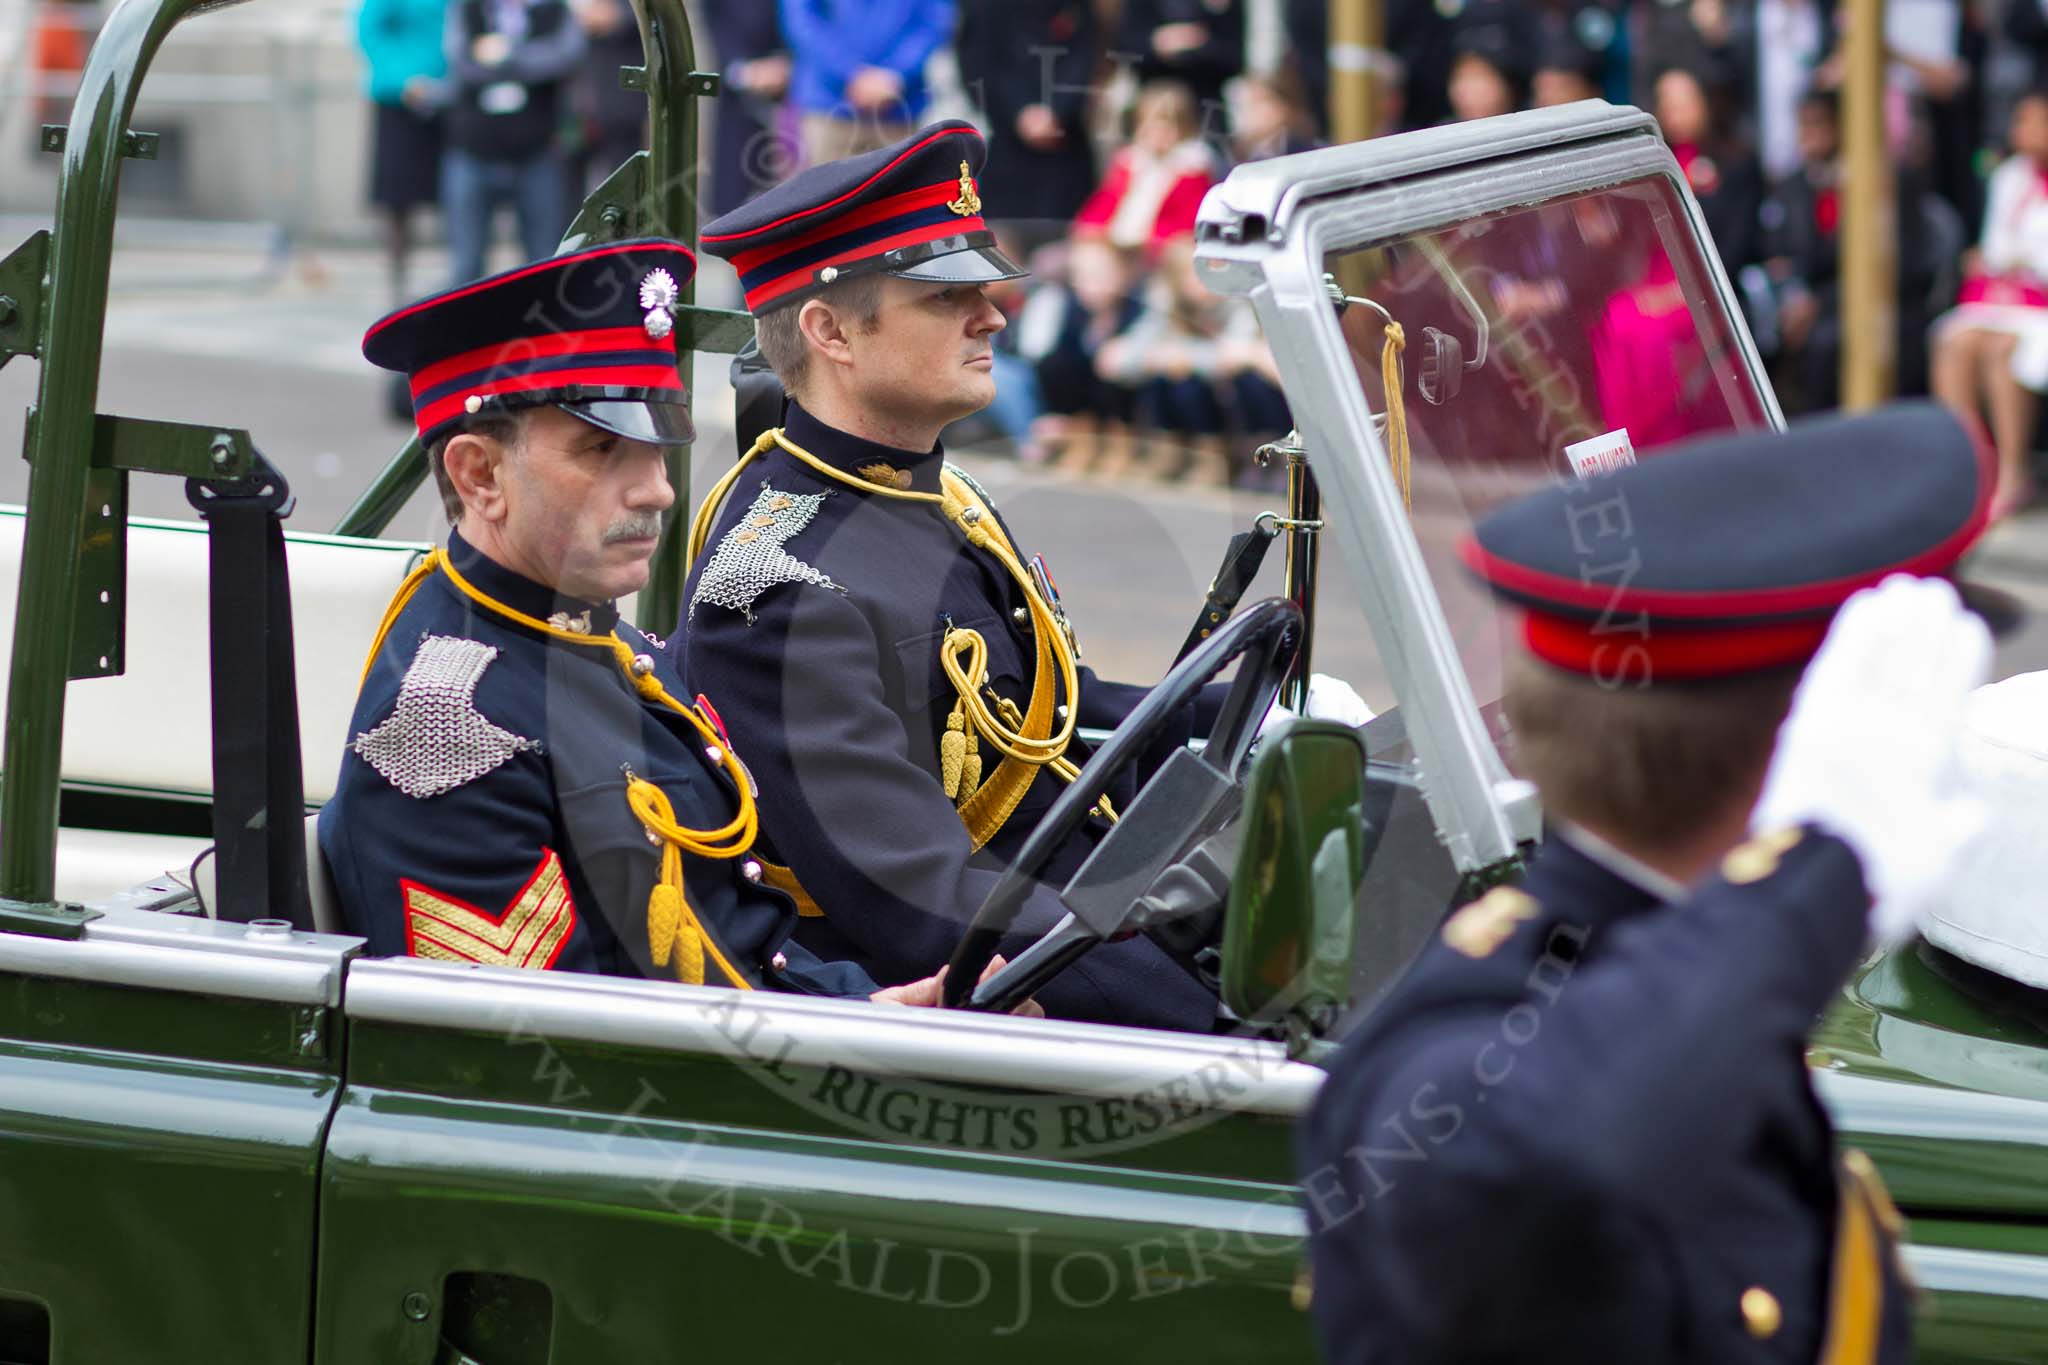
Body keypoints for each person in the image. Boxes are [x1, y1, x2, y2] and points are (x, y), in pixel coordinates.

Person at [1299, 403, 1999, 1365]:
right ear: (1799, 756)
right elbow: (1533, 1160)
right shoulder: (1476, 1047)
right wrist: (1817, 872)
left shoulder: (1676, 979)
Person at [677, 120, 1370, 1031]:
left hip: (1079, 904)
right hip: (1001, 1001)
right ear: (829, 330)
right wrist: (1206, 1006)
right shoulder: (773, 587)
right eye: (941, 295)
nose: (993, 313)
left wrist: (1263, 721)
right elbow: (922, 900)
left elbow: (1053, 714)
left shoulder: (938, 488)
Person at [323, 239, 1002, 1010]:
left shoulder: (593, 640)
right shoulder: (450, 735)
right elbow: (532, 1067)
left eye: (657, 448)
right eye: (602, 449)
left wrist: (872, 1009)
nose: (656, 492)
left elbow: (738, 946)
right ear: (480, 475)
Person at [1930, 86, 2048, 520]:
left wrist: (2020, 261)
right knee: (1954, 343)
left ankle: (2015, 473)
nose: (2028, 131)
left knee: (2003, 351)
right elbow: (1994, 249)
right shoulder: (2009, 177)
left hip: (2039, 309)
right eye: (2023, 121)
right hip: (2007, 299)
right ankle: (1967, 469)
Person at [439, 0, 586, 286]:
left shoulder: (553, 9)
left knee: (544, 260)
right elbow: (460, 60)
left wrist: (507, 55)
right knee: (466, 264)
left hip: (537, 149)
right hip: (473, 148)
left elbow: (566, 56)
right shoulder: (468, 7)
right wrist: (522, 65)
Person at [956, 0, 1100, 257]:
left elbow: (1085, 57)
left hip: (1065, 143)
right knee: (1002, 249)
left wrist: (1057, 110)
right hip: (1007, 144)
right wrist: (1019, 113)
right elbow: (977, 62)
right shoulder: (985, 7)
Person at [779, 0, 954, 165]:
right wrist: (850, 72)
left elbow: (934, 21)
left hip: (901, 109)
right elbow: (803, 20)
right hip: (829, 106)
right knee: (829, 192)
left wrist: (895, 74)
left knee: (901, 192)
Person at [355, 0, 447, 308]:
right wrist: (403, 80)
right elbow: (369, 31)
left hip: (449, 99)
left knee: (456, 197)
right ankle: (398, 284)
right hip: (400, 102)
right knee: (398, 202)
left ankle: (458, 281)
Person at [1071, 81, 1219, 258]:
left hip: (1157, 255)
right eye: (1148, 123)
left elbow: (1186, 224)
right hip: (1113, 248)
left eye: (1164, 125)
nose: (1155, 132)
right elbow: (1104, 203)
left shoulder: (1191, 170)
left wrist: (1148, 241)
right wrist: (1091, 230)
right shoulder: (1129, 164)